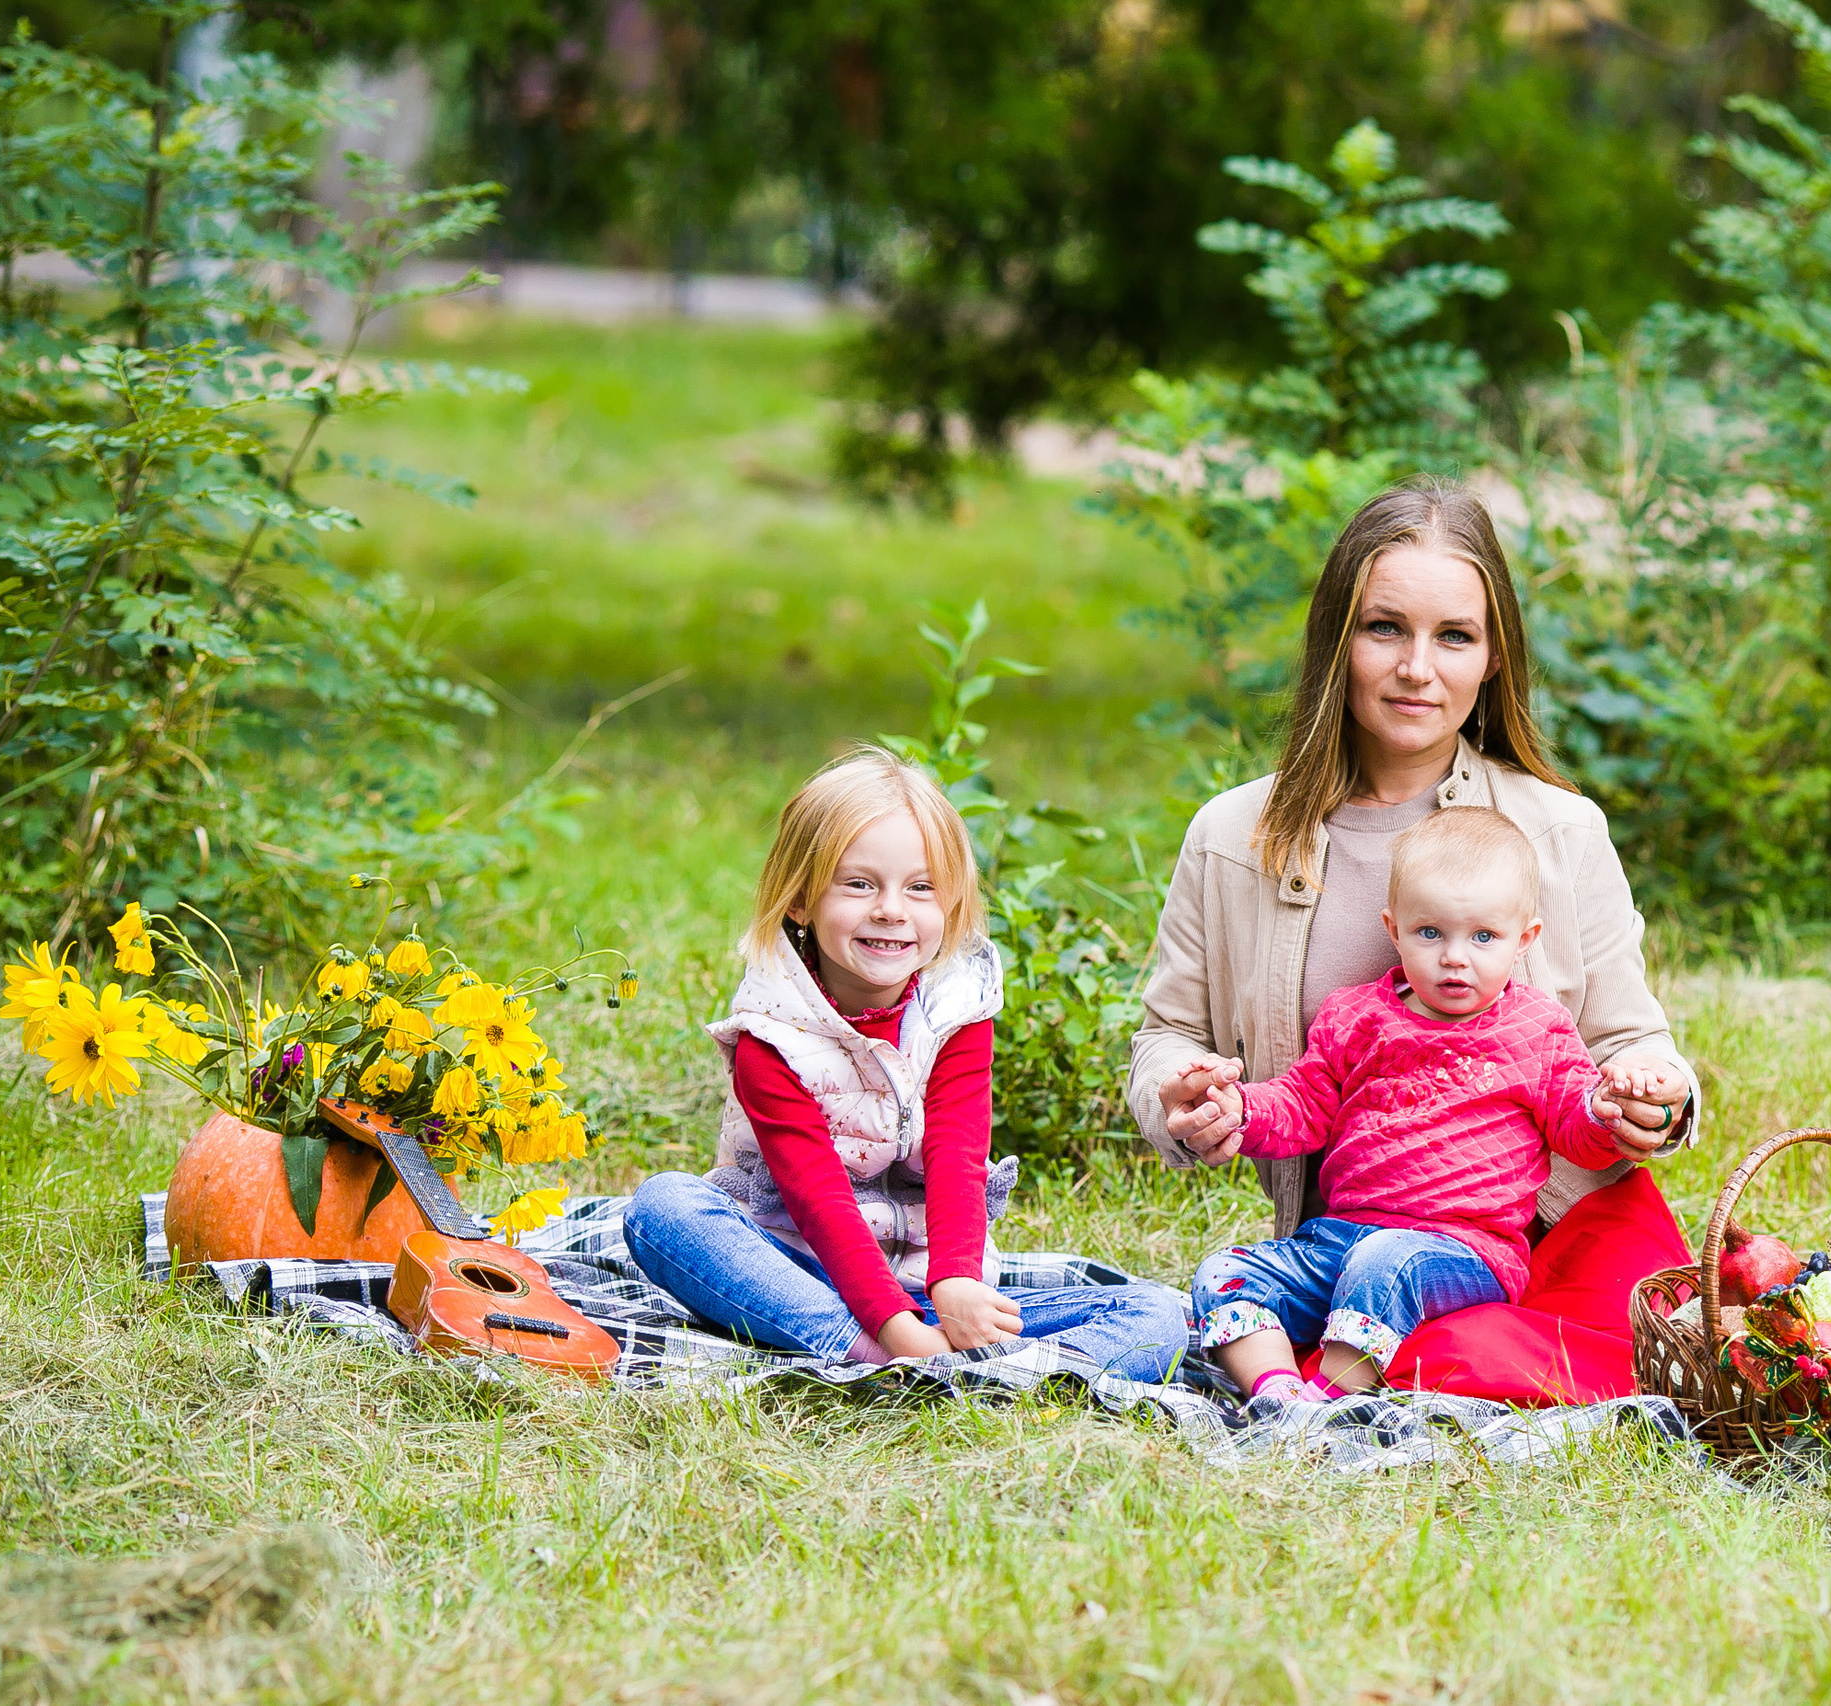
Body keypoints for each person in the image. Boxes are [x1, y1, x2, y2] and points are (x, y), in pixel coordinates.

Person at [1130, 480, 1698, 1242]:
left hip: (1538, 1249)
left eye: (1455, 636)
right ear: (1338, 638)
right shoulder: (1232, 837)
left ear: (1495, 654)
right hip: (1337, 1249)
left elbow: (1631, 1042)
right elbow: (1167, 1034)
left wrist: (1654, 1101)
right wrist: (1178, 1095)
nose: (1417, 668)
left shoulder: (1561, 830)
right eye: (1385, 628)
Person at [624, 750, 1187, 1382]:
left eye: (920, 888)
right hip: (797, 1272)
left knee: (1155, 1314)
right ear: (802, 901)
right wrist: (898, 1332)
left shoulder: (956, 1010)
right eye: (860, 884)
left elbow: (956, 1153)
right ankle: (895, 1361)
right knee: (663, 1209)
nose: (892, 909)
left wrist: (954, 1284)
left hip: (929, 1283)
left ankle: (966, 1370)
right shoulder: (770, 1037)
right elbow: (819, 1201)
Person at [1169, 808, 1680, 1403]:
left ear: (1525, 940)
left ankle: (1328, 1402)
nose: (1455, 957)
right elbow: (1303, 1104)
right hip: (1339, 1237)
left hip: (1463, 1252)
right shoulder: (1355, 1017)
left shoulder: (1537, 1030)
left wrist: (1606, 1107)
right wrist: (1240, 1109)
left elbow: (1575, 1128)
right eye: (1430, 933)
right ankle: (1275, 1397)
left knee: (1386, 1263)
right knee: (1225, 1273)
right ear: (1394, 929)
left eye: (1483, 936)